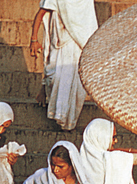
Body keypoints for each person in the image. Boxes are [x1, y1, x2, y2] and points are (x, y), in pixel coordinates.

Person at [28, 0, 98, 131]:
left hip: (79, 45)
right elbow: (41, 12)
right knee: (55, 77)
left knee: (76, 85)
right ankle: (56, 109)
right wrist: (34, 39)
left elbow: (89, 24)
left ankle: (69, 121)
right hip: (59, 42)